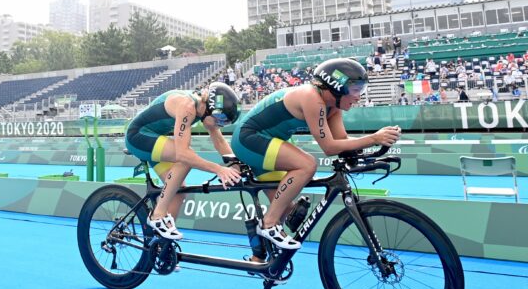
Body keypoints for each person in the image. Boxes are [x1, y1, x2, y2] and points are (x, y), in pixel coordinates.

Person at [230, 58, 401, 260]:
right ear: (336, 88)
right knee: (307, 164)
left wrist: (373, 147)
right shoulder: (312, 98)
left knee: (284, 206)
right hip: (248, 139)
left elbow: (342, 141)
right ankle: (268, 225)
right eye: (355, 90)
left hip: (266, 141)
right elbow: (329, 147)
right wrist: (373, 138)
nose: (358, 97)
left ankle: (262, 261)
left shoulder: (333, 107)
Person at [125, 83, 243, 240]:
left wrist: (237, 165)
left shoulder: (204, 110)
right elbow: (183, 154)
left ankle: (161, 245)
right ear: (210, 109)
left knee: (179, 191)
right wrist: (219, 169)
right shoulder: (187, 106)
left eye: (225, 123)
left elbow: (220, 142)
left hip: (154, 137)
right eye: (220, 119)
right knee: (186, 158)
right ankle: (157, 216)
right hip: (137, 137)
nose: (220, 125)